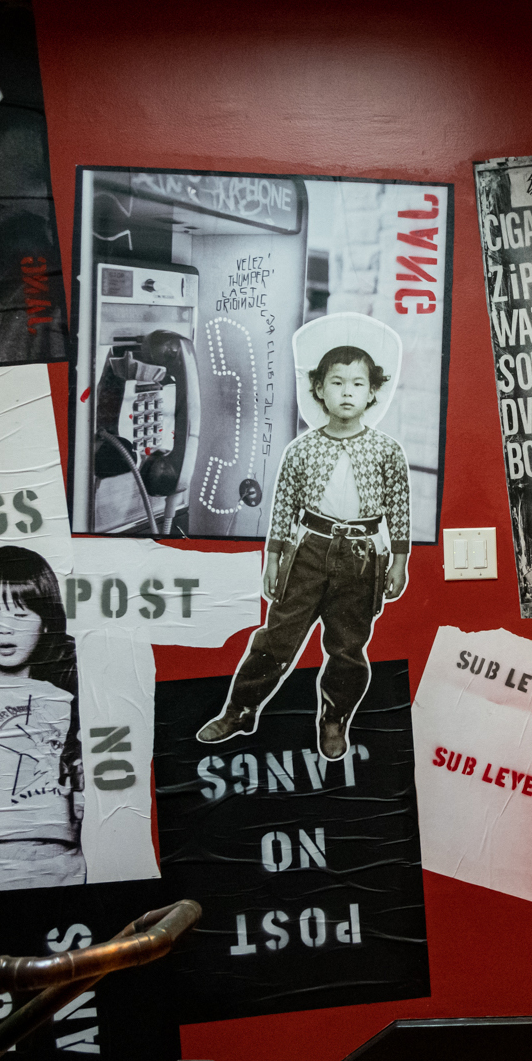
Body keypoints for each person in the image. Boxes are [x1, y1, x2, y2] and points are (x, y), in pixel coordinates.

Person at [198, 318, 410, 760]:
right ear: (319, 389)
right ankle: (240, 708)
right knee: (277, 637)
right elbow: (283, 509)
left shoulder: (388, 451)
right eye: (337, 382)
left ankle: (335, 717)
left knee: (348, 646)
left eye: (358, 383)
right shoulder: (302, 450)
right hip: (309, 551)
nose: (347, 391)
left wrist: (400, 561)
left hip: (361, 557)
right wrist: (272, 559)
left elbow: (400, 511)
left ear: (374, 392)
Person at [0, 545, 84, 891]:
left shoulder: (68, 692)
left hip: (57, 862)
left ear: (45, 623)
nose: (5, 629)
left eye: (20, 614)